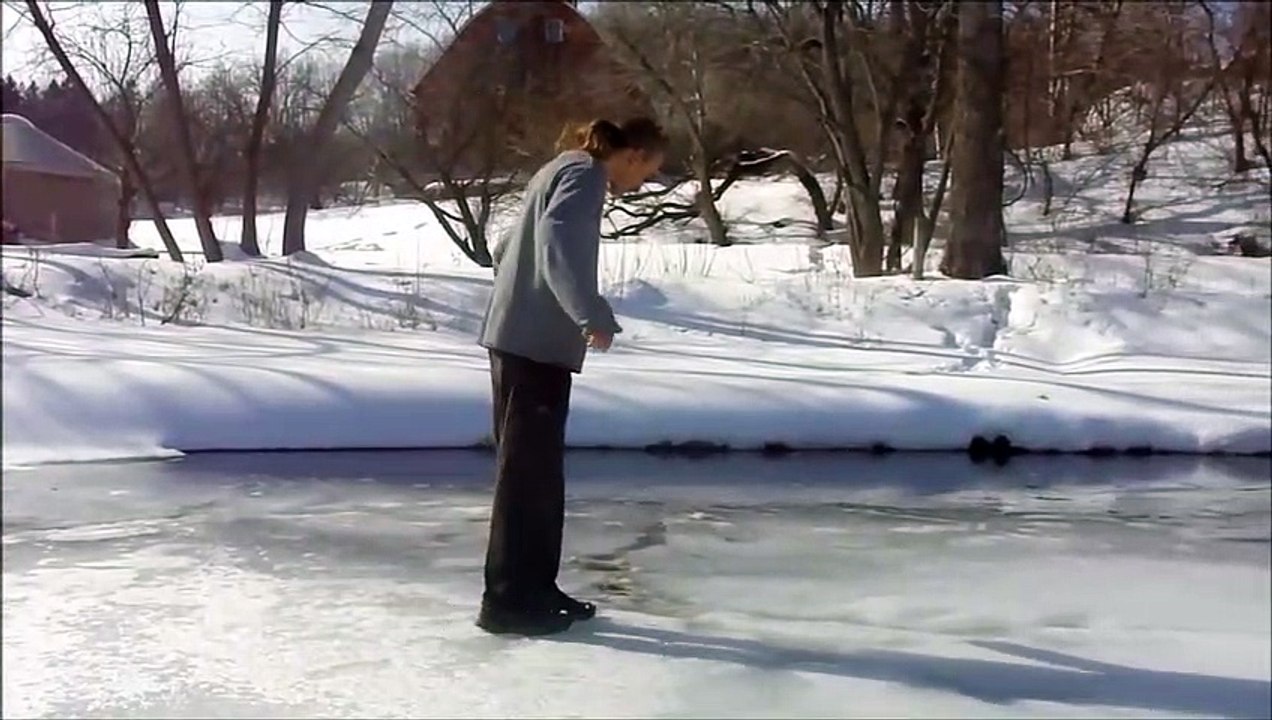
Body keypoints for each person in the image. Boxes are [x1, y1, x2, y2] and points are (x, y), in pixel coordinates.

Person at [476, 117, 668, 636]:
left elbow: (507, 247)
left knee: (536, 473)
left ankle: (536, 588)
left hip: (523, 338)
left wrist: (519, 294)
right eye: (648, 170)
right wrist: (589, 313)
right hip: (532, 345)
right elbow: (556, 241)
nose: (643, 182)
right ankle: (508, 602)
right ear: (633, 155)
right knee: (526, 475)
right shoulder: (585, 175)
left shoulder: (562, 168)